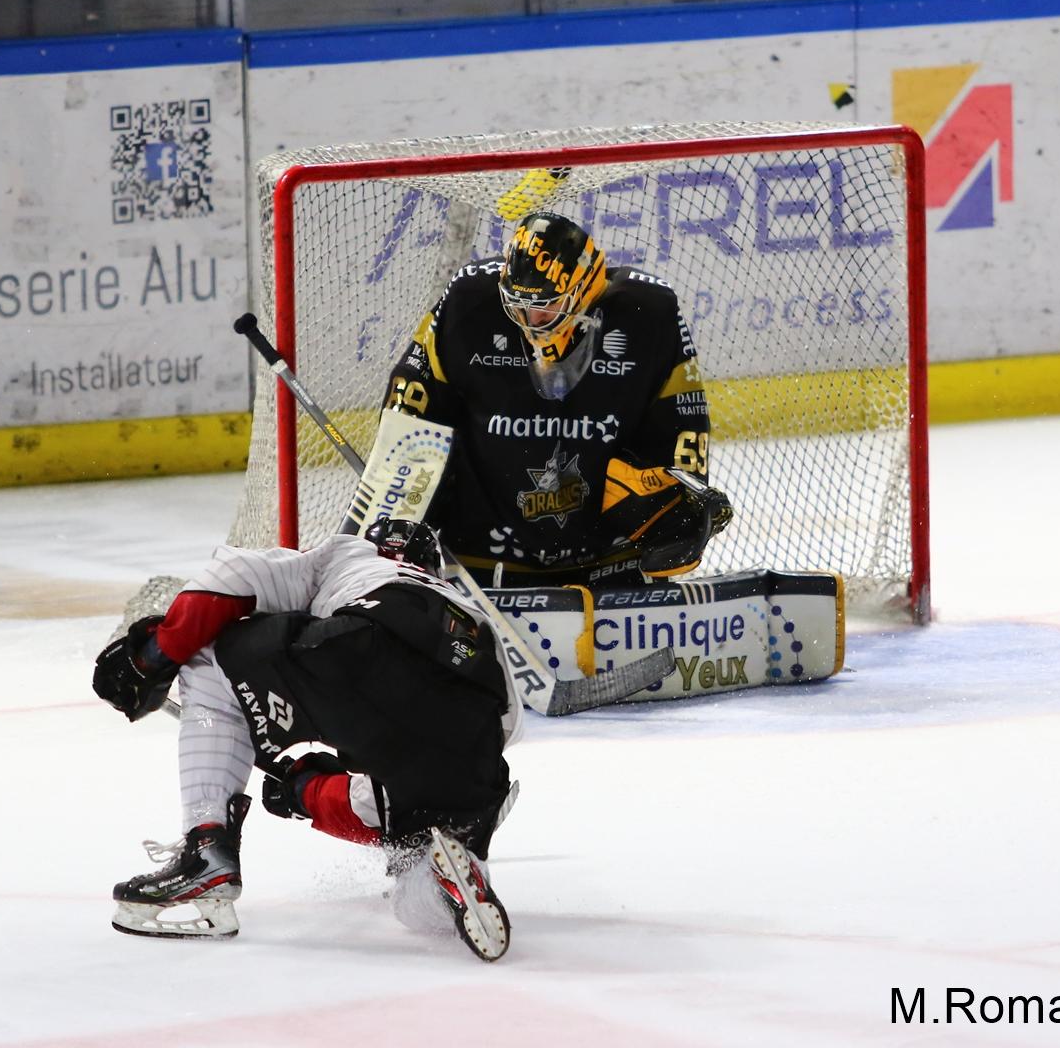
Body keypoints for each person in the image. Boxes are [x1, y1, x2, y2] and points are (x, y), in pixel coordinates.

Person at [92, 517, 516, 961]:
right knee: (414, 853)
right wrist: (308, 790)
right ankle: (447, 873)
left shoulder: (352, 557)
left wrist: (154, 655)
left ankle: (206, 850)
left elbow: (235, 575)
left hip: (366, 647)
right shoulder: (475, 618)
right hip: (473, 726)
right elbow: (389, 798)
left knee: (207, 652)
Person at [376, 210, 732, 588]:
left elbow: (684, 425)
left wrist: (684, 497)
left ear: (583, 292)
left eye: (544, 306)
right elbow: (412, 407)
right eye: (518, 305)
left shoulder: (650, 315)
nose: (529, 320)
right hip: (477, 566)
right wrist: (400, 511)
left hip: (613, 564)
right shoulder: (469, 302)